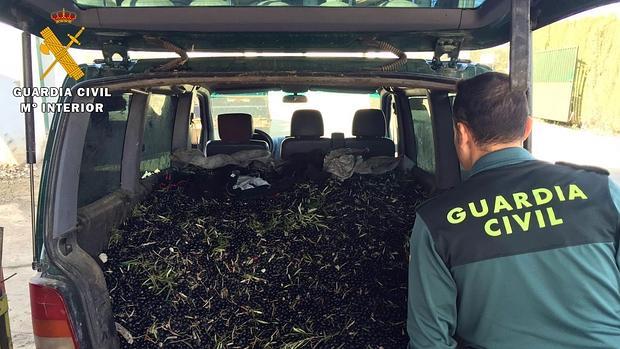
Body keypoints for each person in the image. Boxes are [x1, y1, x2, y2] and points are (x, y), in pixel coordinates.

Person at [407, 72, 620, 349]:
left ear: (461, 133)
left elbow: (429, 342)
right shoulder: (603, 192)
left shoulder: (436, 222)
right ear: (527, 127)